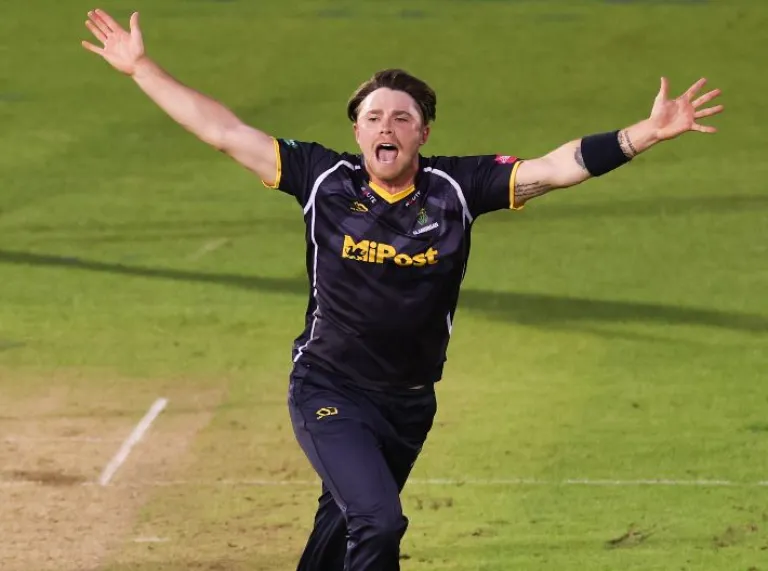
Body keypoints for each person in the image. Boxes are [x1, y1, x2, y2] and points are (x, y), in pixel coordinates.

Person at [82, 9, 724, 571]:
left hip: (410, 403)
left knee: (342, 525)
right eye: (373, 117)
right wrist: (142, 69)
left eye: (401, 117)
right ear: (358, 132)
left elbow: (556, 168)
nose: (386, 125)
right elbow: (223, 131)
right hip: (329, 388)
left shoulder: (457, 189)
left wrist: (643, 134)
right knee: (379, 521)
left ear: (423, 133)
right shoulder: (321, 178)